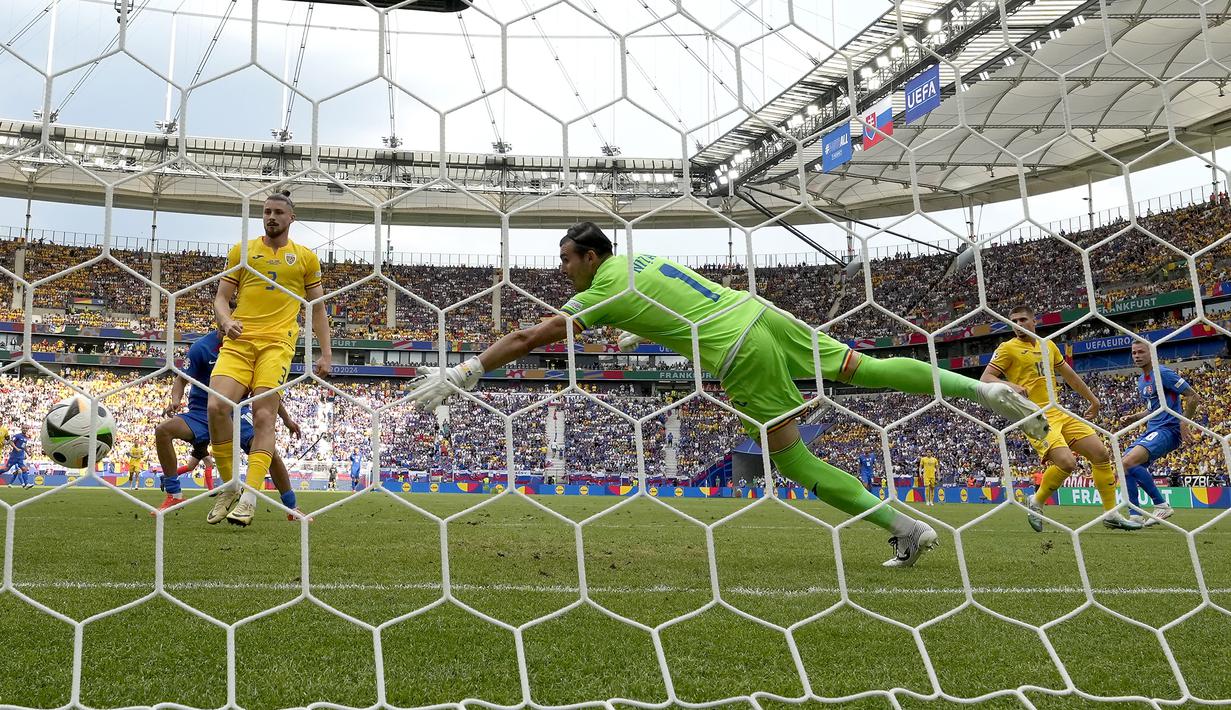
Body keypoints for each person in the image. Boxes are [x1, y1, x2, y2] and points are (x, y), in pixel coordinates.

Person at [407, 222, 1048, 568]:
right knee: (866, 368)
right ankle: (980, 389)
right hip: (760, 312)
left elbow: (532, 334)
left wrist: (467, 371)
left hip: (738, 350)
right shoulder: (644, 261)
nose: (563, 269)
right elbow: (662, 307)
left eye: (568, 258)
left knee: (791, 459)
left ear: (592, 254)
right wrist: (637, 335)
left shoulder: (601, 286)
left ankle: (905, 527)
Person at [206, 191, 332, 526]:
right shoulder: (242, 251)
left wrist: (326, 352)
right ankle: (230, 485)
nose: (271, 217)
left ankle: (250, 495)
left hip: (277, 344)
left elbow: (317, 308)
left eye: (278, 212)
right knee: (217, 407)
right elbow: (221, 298)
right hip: (240, 340)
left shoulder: (305, 258)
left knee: (264, 415)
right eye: (266, 212)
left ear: (292, 218)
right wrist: (225, 320)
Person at [981, 305, 1141, 531]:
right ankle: (1036, 502)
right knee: (1067, 463)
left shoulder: (1049, 346)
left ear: (1034, 321)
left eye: (1023, 319)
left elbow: (1071, 377)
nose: (1018, 325)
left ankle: (1111, 513)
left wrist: (1093, 400)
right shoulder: (1007, 348)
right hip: (1035, 415)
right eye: (1014, 321)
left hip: (1059, 411)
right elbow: (986, 377)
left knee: (1101, 453)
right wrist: (1011, 386)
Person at [152, 329, 307, 520]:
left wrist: (286, 419)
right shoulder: (201, 347)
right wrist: (175, 400)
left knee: (269, 451)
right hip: (201, 413)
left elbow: (265, 392)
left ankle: (291, 507)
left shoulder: (251, 346)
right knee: (163, 431)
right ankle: (175, 495)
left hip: (237, 411)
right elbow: (181, 379)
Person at [1119, 341, 1201, 526]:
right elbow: (1153, 410)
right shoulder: (1142, 380)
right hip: (1154, 429)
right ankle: (1135, 515)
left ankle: (1161, 505)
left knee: (1128, 461)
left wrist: (1184, 422)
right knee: (1123, 465)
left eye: (1141, 352)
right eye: (1134, 353)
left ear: (1151, 353)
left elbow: (1193, 396)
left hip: (1169, 430)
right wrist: (1134, 417)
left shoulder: (1162, 373)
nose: (1137, 355)